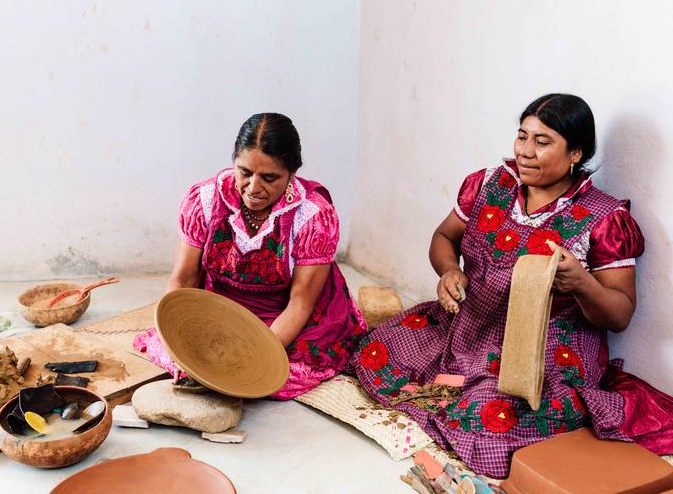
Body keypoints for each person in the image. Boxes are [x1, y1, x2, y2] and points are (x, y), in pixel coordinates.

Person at [352, 94, 673, 478]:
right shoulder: (490, 184)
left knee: (491, 422)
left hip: (543, 350)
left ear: (575, 153)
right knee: (377, 349)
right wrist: (448, 272)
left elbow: (620, 314)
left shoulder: (604, 219)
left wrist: (583, 284)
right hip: (469, 324)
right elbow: (443, 238)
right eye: (522, 136)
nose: (525, 151)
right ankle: (460, 380)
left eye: (542, 142)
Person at [135, 113, 366, 399]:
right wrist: (184, 337)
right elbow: (182, 279)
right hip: (219, 308)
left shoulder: (312, 215)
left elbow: (300, 303)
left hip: (283, 318)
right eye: (244, 172)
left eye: (269, 178)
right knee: (174, 352)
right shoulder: (205, 199)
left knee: (276, 375)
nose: (254, 188)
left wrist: (251, 356)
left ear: (292, 172)